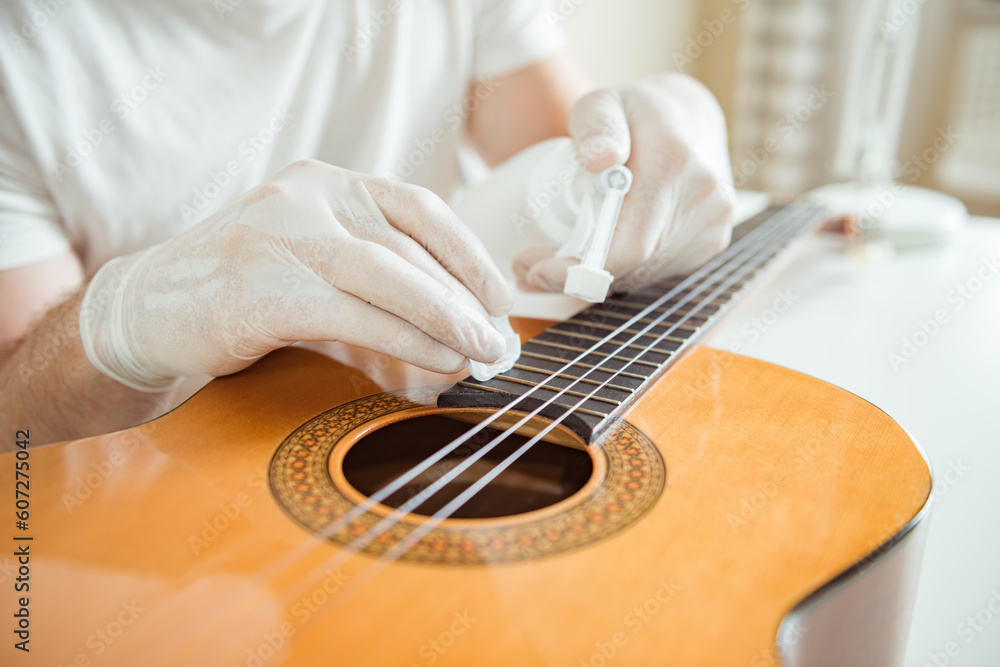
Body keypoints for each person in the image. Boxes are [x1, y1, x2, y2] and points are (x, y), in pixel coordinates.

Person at [0, 1, 735, 449]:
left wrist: (669, 134)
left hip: (444, 434)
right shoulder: (21, 52)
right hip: (189, 527)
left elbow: (580, 175)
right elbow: (17, 434)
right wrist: (133, 317)